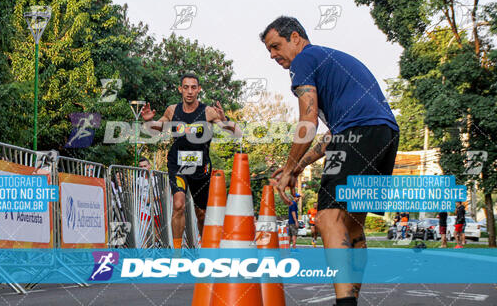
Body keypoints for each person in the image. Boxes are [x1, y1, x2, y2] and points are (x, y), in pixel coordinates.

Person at [262, 16, 399, 306]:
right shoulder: (329, 60)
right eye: (269, 51)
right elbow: (332, 136)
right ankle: (352, 301)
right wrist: (299, 165)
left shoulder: (304, 60)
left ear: (295, 38)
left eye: (276, 46)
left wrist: (287, 169)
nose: (273, 55)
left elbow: (307, 121)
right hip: (384, 134)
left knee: (327, 217)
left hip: (358, 133)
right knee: (352, 227)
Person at [140, 73, 241, 249]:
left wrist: (224, 120)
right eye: (186, 87)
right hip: (177, 164)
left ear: (199, 90)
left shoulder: (208, 111)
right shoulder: (172, 110)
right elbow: (156, 130)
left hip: (200, 168)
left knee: (201, 213)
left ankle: (205, 248)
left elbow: (236, 133)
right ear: (180, 89)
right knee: (178, 204)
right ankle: (177, 253)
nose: (189, 91)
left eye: (193, 87)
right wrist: (149, 121)